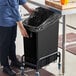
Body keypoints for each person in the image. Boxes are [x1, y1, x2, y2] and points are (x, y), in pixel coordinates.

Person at [0, 0, 34, 76]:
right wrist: (21, 27)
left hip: (13, 18)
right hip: (3, 18)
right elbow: (13, 8)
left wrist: (28, 9)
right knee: (4, 44)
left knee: (12, 40)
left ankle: (13, 60)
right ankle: (5, 65)